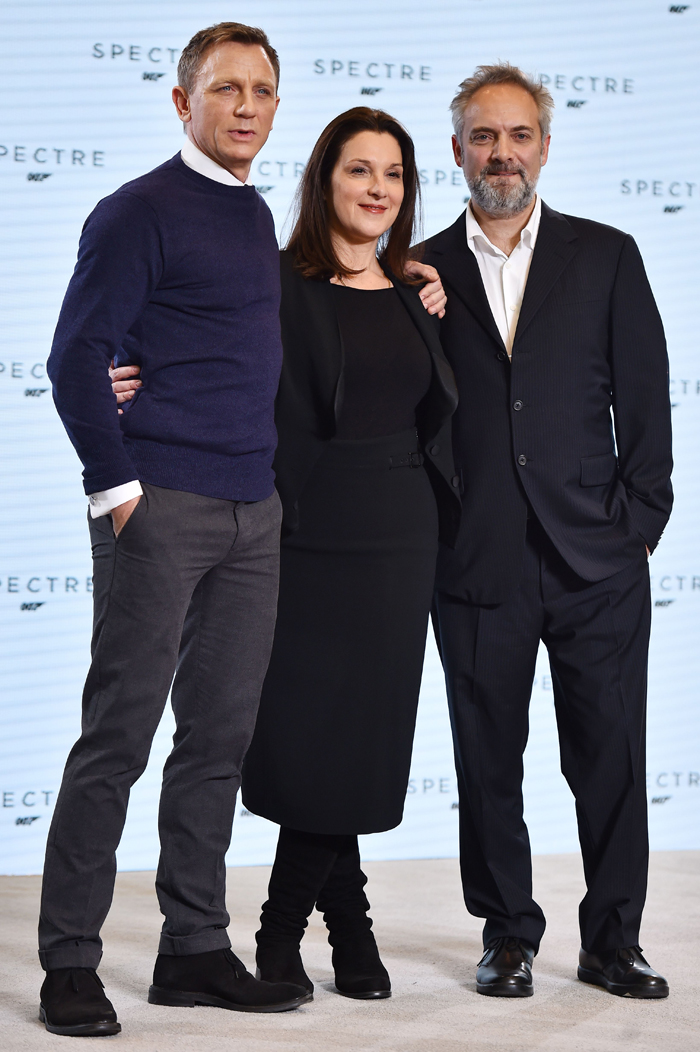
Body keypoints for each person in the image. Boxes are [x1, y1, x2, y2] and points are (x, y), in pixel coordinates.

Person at [112, 107, 460, 1003]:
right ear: (324, 180)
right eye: (359, 170)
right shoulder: (271, 280)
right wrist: (129, 375)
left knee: (362, 738)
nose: (377, 188)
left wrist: (415, 283)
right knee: (310, 738)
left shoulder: (419, 289)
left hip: (399, 537)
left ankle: (308, 929)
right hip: (300, 529)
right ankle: (323, 929)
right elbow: (194, 342)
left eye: (393, 174)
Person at [39, 22, 313, 1037]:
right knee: (118, 734)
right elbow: (77, 357)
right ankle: (70, 961)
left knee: (217, 740)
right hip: (162, 505)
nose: (246, 106)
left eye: (262, 90)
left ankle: (194, 947)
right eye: (226, 88)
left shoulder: (252, 213)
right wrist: (119, 492)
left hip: (253, 510)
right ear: (182, 101)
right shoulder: (137, 211)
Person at [421, 63, 673, 999]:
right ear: (457, 151)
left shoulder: (607, 256)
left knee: (611, 758)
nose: (503, 153)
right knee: (487, 760)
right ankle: (507, 935)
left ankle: (614, 940)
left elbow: (645, 402)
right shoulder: (418, 269)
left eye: (519, 135)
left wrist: (639, 527)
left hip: (596, 560)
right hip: (474, 557)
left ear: (545, 147)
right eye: (485, 137)